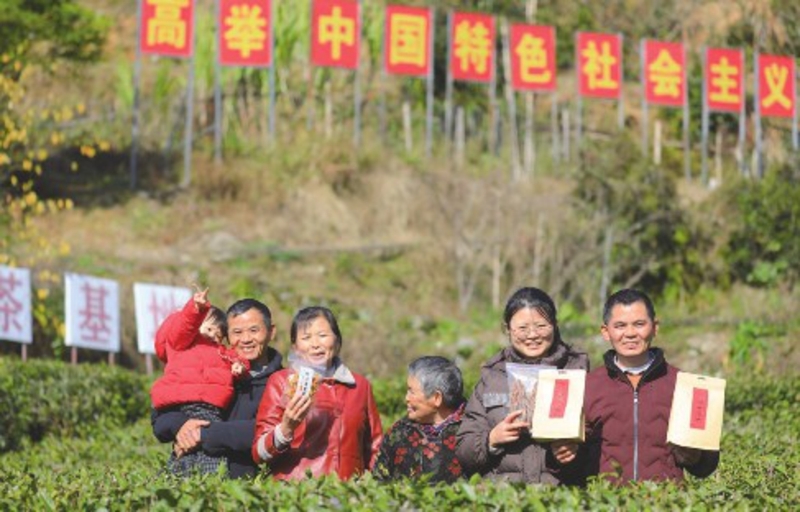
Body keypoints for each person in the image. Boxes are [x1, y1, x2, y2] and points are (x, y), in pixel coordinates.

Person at [583, 288, 719, 484]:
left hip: (667, 503)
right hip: (606, 503)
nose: (630, 333)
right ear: (606, 332)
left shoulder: (684, 385)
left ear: (655, 327)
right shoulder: (589, 386)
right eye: (620, 325)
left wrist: (697, 457)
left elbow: (707, 465)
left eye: (639, 324)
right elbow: (574, 463)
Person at [456, 287, 589, 484]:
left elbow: (603, 439)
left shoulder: (577, 371)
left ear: (555, 325)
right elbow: (463, 449)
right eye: (523, 328)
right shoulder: (492, 377)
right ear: (508, 329)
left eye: (541, 326)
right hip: (502, 498)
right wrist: (491, 439)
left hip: (560, 498)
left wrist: (575, 448)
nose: (532, 335)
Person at [151, 298, 283, 479]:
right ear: (227, 337)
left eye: (254, 330)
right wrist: (181, 426)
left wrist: (204, 434)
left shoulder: (283, 381)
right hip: (192, 473)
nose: (245, 339)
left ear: (271, 331)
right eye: (237, 332)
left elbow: (268, 429)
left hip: (246, 486)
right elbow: (159, 419)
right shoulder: (213, 371)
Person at [252, 306, 383, 480]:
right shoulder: (282, 382)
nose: (315, 344)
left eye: (323, 336)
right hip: (297, 495)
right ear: (295, 346)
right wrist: (285, 429)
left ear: (337, 340)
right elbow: (259, 454)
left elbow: (375, 447)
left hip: (348, 495)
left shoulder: (359, 386)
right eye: (306, 338)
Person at [373, 356, 466, 484]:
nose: (407, 398)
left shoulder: (471, 430)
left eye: (412, 392)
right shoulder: (400, 431)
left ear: (437, 398)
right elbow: (379, 480)